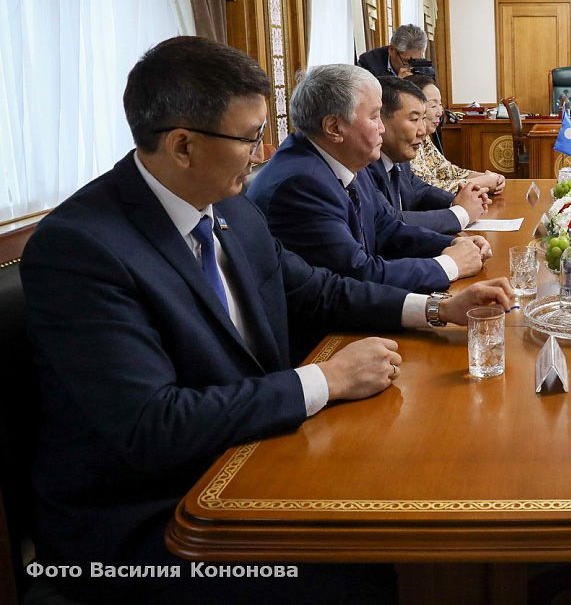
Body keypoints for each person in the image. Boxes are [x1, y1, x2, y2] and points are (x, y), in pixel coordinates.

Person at [20, 36, 515, 603]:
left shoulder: (231, 207)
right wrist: (326, 379)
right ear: (182, 145)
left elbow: (318, 290)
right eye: (250, 137)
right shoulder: (83, 248)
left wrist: (433, 308)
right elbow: (151, 426)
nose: (263, 153)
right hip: (153, 523)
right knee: (361, 563)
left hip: (251, 458)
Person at [247, 65, 489, 291]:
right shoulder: (300, 183)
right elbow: (356, 274)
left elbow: (387, 229)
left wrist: (452, 246)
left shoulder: (349, 160)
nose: (382, 128)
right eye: (374, 117)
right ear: (334, 127)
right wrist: (449, 265)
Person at [364, 76, 492, 234]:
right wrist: (461, 213)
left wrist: (461, 201)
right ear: (381, 120)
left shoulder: (399, 159)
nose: (422, 131)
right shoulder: (364, 164)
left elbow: (421, 192)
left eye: (423, 119)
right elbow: (392, 222)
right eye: (414, 119)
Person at [407, 72, 506, 195]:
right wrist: (482, 182)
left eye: (440, 104)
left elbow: (449, 172)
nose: (440, 112)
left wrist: (491, 177)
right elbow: (429, 190)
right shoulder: (407, 143)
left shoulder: (425, 138)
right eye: (433, 105)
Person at [357, 22, 429, 80]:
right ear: (392, 50)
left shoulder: (426, 71)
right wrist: (398, 85)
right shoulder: (368, 64)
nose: (411, 67)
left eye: (416, 61)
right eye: (406, 61)